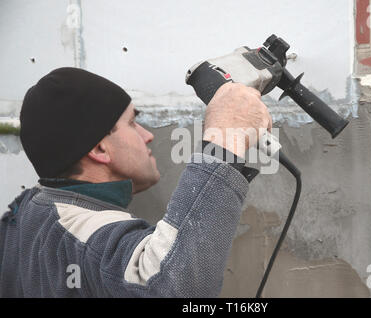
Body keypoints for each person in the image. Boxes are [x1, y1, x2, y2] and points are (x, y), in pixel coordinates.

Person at [0, 67, 272, 297]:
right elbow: (173, 285)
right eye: (132, 123)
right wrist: (224, 141)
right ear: (100, 150)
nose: (148, 135)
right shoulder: (81, 234)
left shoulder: (24, 212)